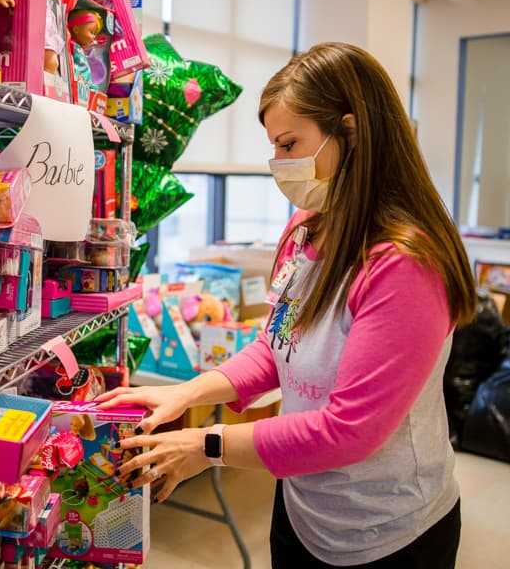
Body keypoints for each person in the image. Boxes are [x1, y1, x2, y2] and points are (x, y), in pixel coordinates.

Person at [95, 42, 477, 568]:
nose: (278, 164)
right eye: (274, 146)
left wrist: (207, 446)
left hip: (389, 530)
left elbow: (349, 431)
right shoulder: (307, 227)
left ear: (352, 133)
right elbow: (278, 347)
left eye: (290, 143)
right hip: (304, 508)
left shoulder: (405, 266)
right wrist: (188, 393)